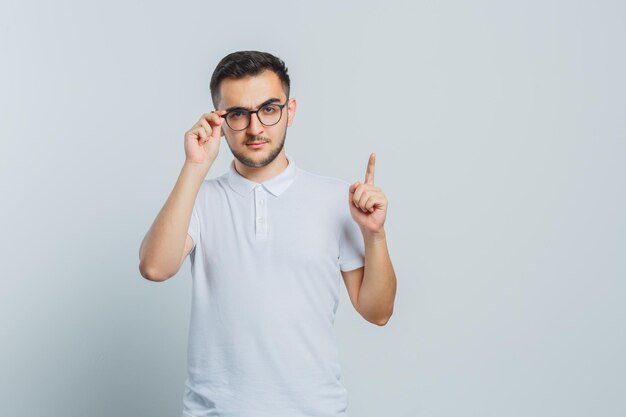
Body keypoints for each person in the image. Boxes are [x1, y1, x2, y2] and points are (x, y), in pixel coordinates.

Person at [138, 50, 397, 417]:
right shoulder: (199, 198)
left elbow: (378, 312)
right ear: (219, 120)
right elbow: (154, 267)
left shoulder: (337, 199)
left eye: (269, 109)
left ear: (290, 111)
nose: (256, 128)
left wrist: (375, 236)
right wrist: (196, 166)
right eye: (238, 114)